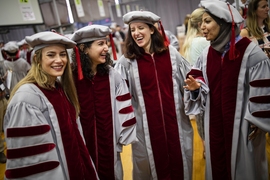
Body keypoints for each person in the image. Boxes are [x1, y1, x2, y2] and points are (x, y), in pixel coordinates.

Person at [184, 1, 270, 180]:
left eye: (207, 21)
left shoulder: (252, 54)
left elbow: (263, 95)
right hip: (214, 126)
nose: (202, 27)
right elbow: (199, 82)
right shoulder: (207, 55)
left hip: (243, 130)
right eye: (201, 23)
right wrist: (195, 89)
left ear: (223, 23)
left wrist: (255, 122)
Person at [4, 31, 99, 180]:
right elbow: (33, 163)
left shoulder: (59, 88)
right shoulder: (26, 99)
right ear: (37, 58)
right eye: (51, 55)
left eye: (62, 54)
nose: (59, 60)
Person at [114, 10, 193, 180]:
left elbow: (188, 82)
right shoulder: (127, 61)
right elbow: (118, 97)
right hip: (145, 130)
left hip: (176, 124)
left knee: (180, 165)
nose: (136, 33)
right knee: (150, 169)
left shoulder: (171, 54)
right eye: (132, 29)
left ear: (152, 29)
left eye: (140, 28)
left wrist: (192, 88)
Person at [71, 24, 137, 180]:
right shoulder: (70, 78)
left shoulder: (111, 75)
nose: (106, 48)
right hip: (81, 146)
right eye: (100, 44)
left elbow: (123, 106)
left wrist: (123, 135)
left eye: (106, 43)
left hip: (109, 144)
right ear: (83, 48)